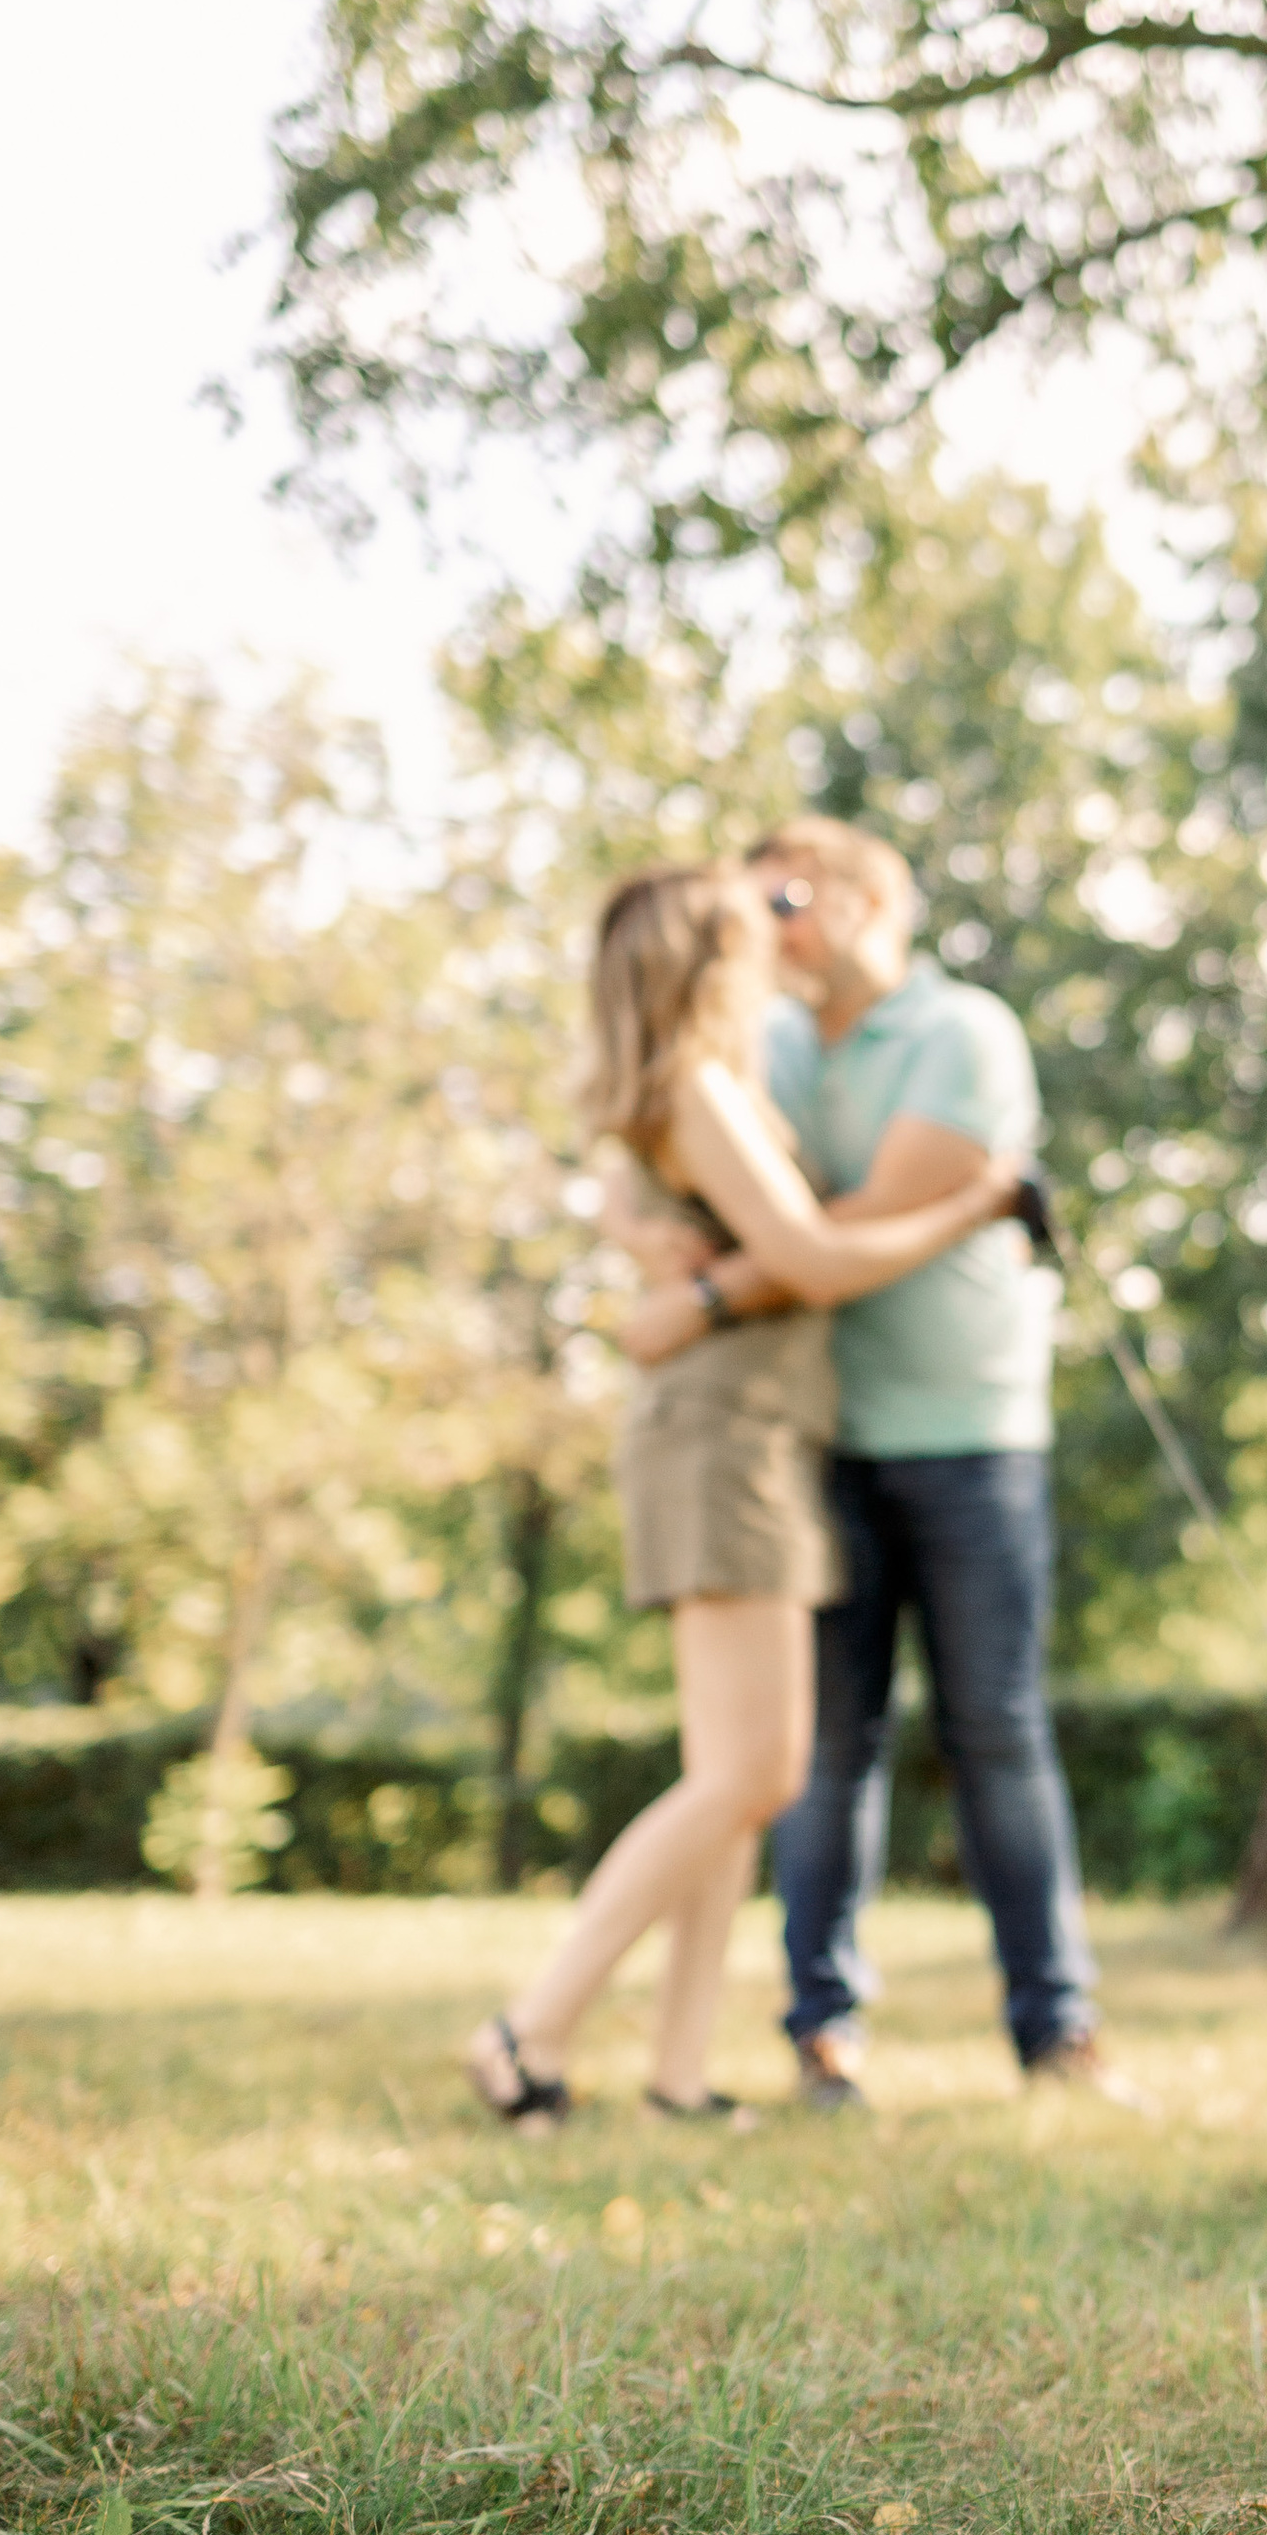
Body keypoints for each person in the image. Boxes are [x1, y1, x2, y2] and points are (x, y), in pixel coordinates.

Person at [465, 860, 1015, 2126]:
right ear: (713, 957)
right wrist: (977, 1201)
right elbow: (815, 1260)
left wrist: (635, 1234)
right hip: (727, 1438)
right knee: (752, 1774)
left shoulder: (699, 1083)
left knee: (734, 1771)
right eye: (752, 920)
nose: (780, 934)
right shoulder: (703, 1089)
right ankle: (526, 2029)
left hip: (743, 1429)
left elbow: (644, 1189)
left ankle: (675, 2073)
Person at [619, 816, 1118, 2101]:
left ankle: (1055, 2033)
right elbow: (713, 1186)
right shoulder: (763, 1043)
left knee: (996, 1732)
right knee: (825, 1750)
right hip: (817, 1437)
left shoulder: (964, 1034)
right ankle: (821, 2032)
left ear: (853, 896)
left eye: (779, 896)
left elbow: (863, 1212)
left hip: (970, 1436)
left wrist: (712, 1291)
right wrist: (675, 1249)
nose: (757, 927)